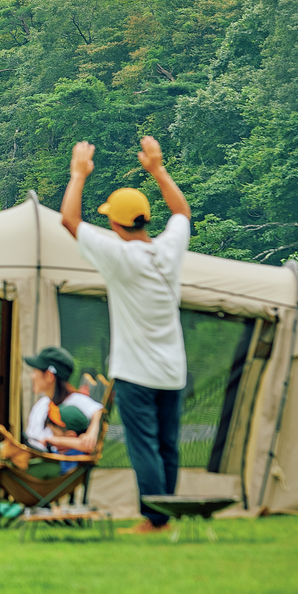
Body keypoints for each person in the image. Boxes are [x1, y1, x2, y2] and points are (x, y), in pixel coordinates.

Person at [62, 136, 192, 535]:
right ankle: (163, 515)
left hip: (137, 372)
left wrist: (78, 174)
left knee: (145, 447)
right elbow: (182, 212)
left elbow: (69, 221)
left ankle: (155, 519)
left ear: (116, 224)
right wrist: (158, 169)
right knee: (168, 445)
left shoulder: (118, 256)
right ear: (145, 218)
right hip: (173, 371)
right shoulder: (169, 250)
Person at [0, 346, 102, 529]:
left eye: (35, 372)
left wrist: (92, 432)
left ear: (49, 376)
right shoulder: (42, 405)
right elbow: (31, 444)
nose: (31, 376)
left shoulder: (74, 402)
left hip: (43, 471)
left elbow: (99, 412)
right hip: (29, 462)